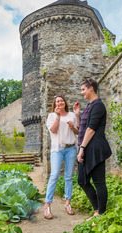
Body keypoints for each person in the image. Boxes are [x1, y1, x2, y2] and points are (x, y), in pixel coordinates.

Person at [74, 77, 112, 219]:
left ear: (91, 88)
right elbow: (81, 129)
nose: (82, 92)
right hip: (86, 147)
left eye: (83, 89)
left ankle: (101, 213)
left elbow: (91, 129)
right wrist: (78, 115)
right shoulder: (89, 106)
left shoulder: (98, 105)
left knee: (99, 182)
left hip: (95, 148)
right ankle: (97, 210)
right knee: (82, 180)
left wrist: (82, 148)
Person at [44, 95, 78, 219]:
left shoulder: (72, 115)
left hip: (71, 148)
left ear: (65, 102)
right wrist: (58, 117)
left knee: (69, 177)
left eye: (62, 100)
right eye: (57, 101)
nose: (60, 102)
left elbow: (77, 132)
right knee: (54, 175)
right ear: (55, 104)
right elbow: (52, 130)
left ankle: (68, 203)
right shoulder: (51, 116)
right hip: (57, 149)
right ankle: (47, 205)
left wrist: (72, 126)